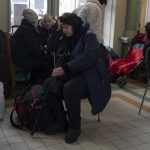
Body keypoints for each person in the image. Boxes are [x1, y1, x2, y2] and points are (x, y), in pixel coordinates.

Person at [44, 13, 111, 144]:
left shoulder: (89, 36)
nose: (64, 30)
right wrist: (57, 30)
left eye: (66, 27)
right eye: (62, 27)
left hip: (88, 76)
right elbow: (51, 47)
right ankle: (62, 121)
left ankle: (74, 127)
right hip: (71, 73)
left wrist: (66, 68)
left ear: (74, 26)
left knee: (70, 88)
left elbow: (89, 56)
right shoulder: (65, 36)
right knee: (48, 84)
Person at [11, 9, 52, 82]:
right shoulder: (28, 30)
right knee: (46, 64)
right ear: (33, 21)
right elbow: (34, 50)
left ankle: (34, 82)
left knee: (42, 60)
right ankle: (38, 84)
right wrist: (45, 55)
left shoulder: (24, 27)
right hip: (22, 60)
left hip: (19, 58)